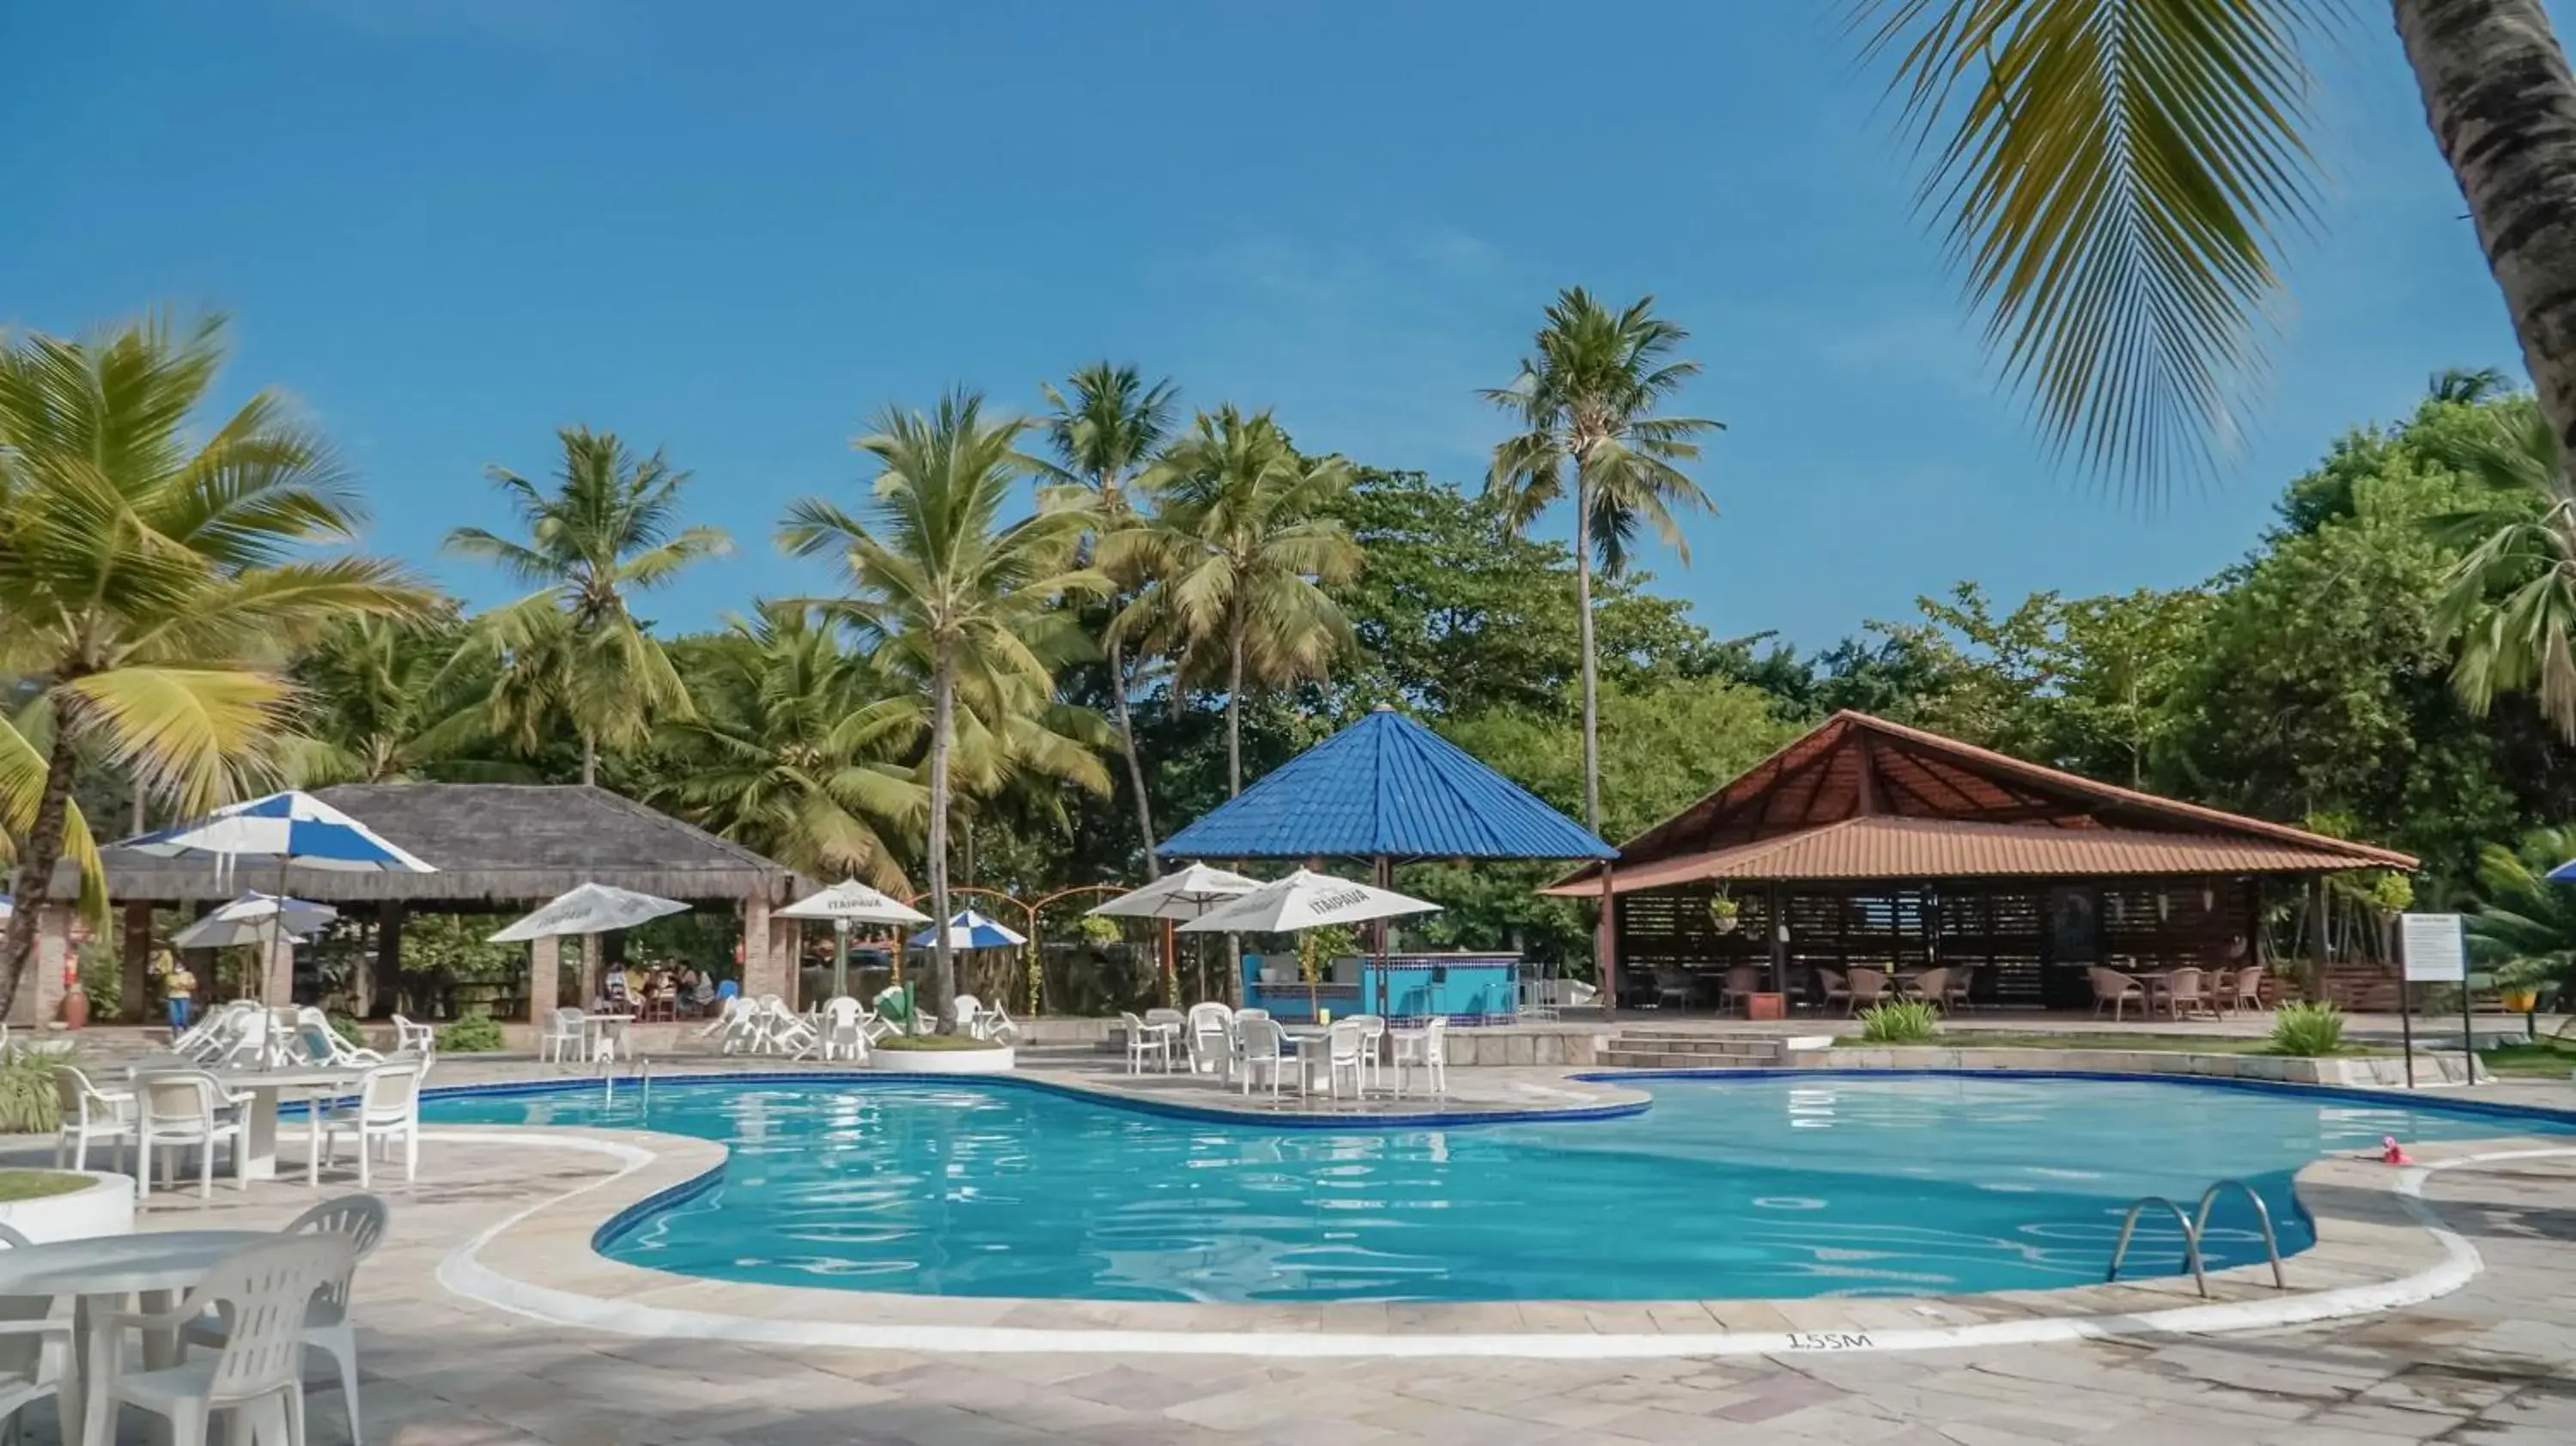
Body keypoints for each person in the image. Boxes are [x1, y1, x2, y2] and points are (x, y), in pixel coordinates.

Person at [156, 948, 195, 1034]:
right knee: (174, 1018)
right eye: (176, 966)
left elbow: (193, 985)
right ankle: (176, 1035)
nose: (178, 968)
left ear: (184, 967)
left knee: (184, 1017)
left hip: (184, 998)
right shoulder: (170, 976)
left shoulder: (188, 974)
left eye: (180, 966)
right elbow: (166, 981)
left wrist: (183, 986)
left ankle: (186, 1030)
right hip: (173, 998)